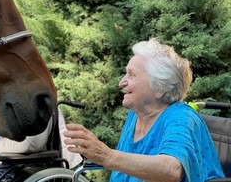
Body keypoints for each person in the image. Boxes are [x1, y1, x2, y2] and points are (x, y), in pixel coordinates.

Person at [64, 38, 225, 182]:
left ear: (161, 88)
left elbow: (172, 170)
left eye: (132, 75)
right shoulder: (135, 115)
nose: (121, 82)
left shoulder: (181, 118)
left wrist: (107, 156)